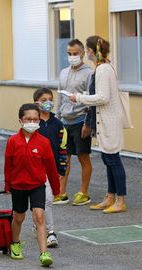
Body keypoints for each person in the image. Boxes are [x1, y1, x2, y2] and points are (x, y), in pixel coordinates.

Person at [69, 36, 128, 214]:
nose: (86, 53)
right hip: (106, 120)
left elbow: (103, 97)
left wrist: (79, 97)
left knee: (113, 160)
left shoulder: (103, 69)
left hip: (109, 120)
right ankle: (110, 197)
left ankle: (120, 200)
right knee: (107, 159)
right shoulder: (104, 67)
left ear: (92, 51)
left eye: (87, 50)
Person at [4, 103, 60, 267]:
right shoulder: (13, 141)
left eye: (35, 119)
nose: (32, 122)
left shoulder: (44, 142)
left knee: (39, 216)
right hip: (18, 186)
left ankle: (44, 253)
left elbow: (51, 167)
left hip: (37, 185)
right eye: (28, 119)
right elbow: (8, 165)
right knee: (19, 217)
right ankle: (15, 243)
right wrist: (8, 184)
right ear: (20, 120)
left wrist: (56, 189)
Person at [54, 39, 93, 206]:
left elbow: (92, 99)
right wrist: (56, 119)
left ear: (82, 53)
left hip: (80, 120)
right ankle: (62, 192)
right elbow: (60, 97)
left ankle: (84, 193)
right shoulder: (63, 72)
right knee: (64, 159)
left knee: (83, 157)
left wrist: (88, 122)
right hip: (64, 121)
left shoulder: (90, 73)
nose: (72, 56)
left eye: (75, 53)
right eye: (69, 54)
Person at [33, 88, 68, 248]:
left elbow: (62, 148)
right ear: (36, 103)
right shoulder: (33, 123)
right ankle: (43, 227)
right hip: (34, 169)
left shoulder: (58, 124)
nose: (48, 102)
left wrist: (61, 170)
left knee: (48, 201)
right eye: (44, 99)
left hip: (51, 169)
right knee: (39, 201)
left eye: (50, 99)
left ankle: (50, 231)